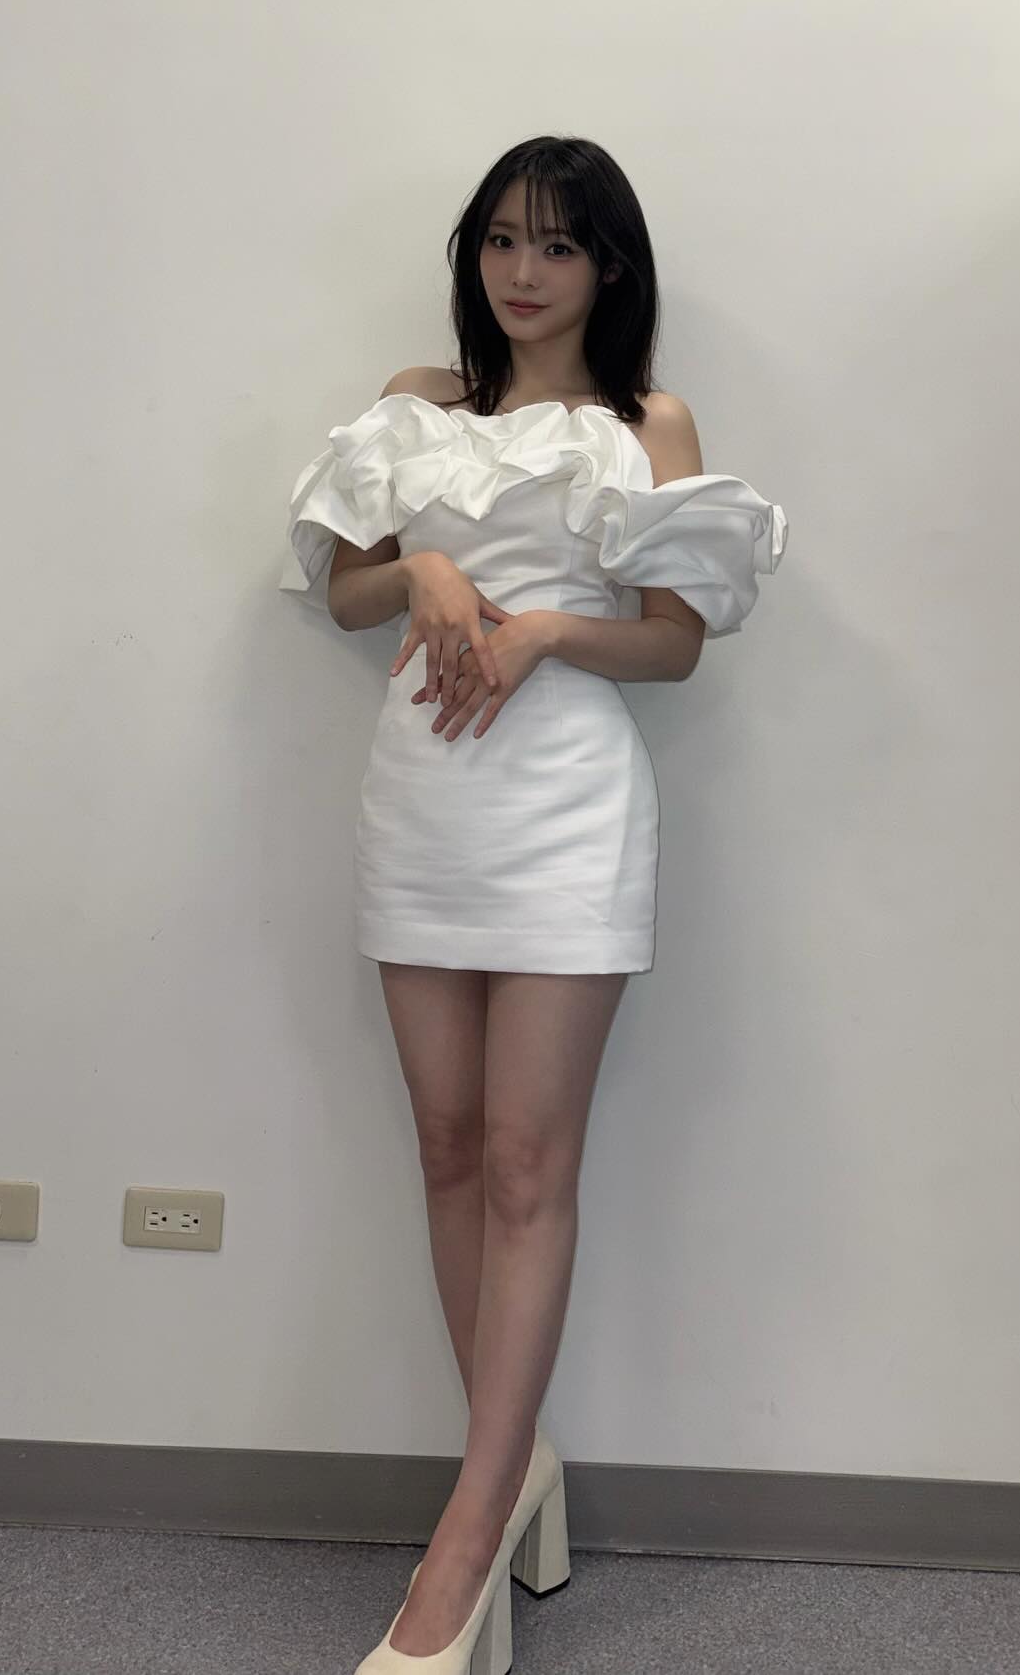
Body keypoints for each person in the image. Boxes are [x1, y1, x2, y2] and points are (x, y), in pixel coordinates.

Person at [282, 135, 788, 1672]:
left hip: (565, 803)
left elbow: (677, 641)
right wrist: (424, 575)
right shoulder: (416, 402)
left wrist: (549, 629)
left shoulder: (648, 422)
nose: (522, 270)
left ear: (608, 267)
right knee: (446, 1144)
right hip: (423, 794)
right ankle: (516, 1473)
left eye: (557, 245)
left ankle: (460, 1552)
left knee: (522, 1160)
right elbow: (342, 584)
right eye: (501, 238)